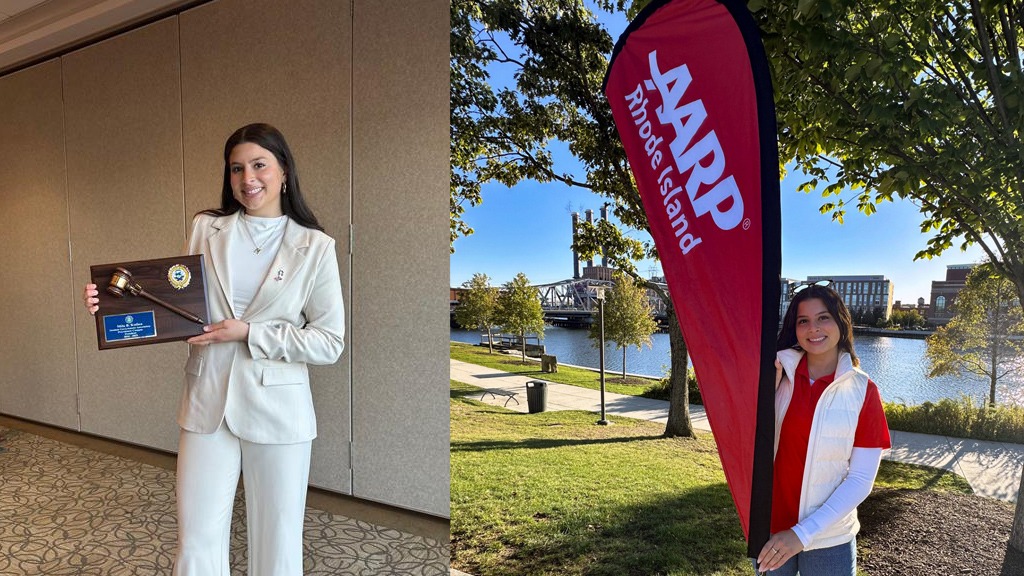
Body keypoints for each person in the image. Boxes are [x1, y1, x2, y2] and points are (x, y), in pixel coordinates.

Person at [83, 123, 345, 576]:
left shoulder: (316, 246)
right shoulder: (207, 227)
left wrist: (249, 332)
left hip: (280, 409)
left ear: (284, 170)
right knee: (196, 539)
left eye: (260, 165)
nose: (249, 179)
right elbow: (182, 304)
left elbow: (329, 342)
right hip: (207, 404)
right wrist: (110, 304)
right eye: (236, 169)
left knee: (278, 544)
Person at [755, 282, 890, 576]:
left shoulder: (864, 391)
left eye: (823, 317)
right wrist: (769, 381)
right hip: (771, 527)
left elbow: (861, 479)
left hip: (829, 538)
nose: (813, 328)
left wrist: (802, 535)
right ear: (795, 328)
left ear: (840, 322)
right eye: (804, 321)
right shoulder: (776, 375)